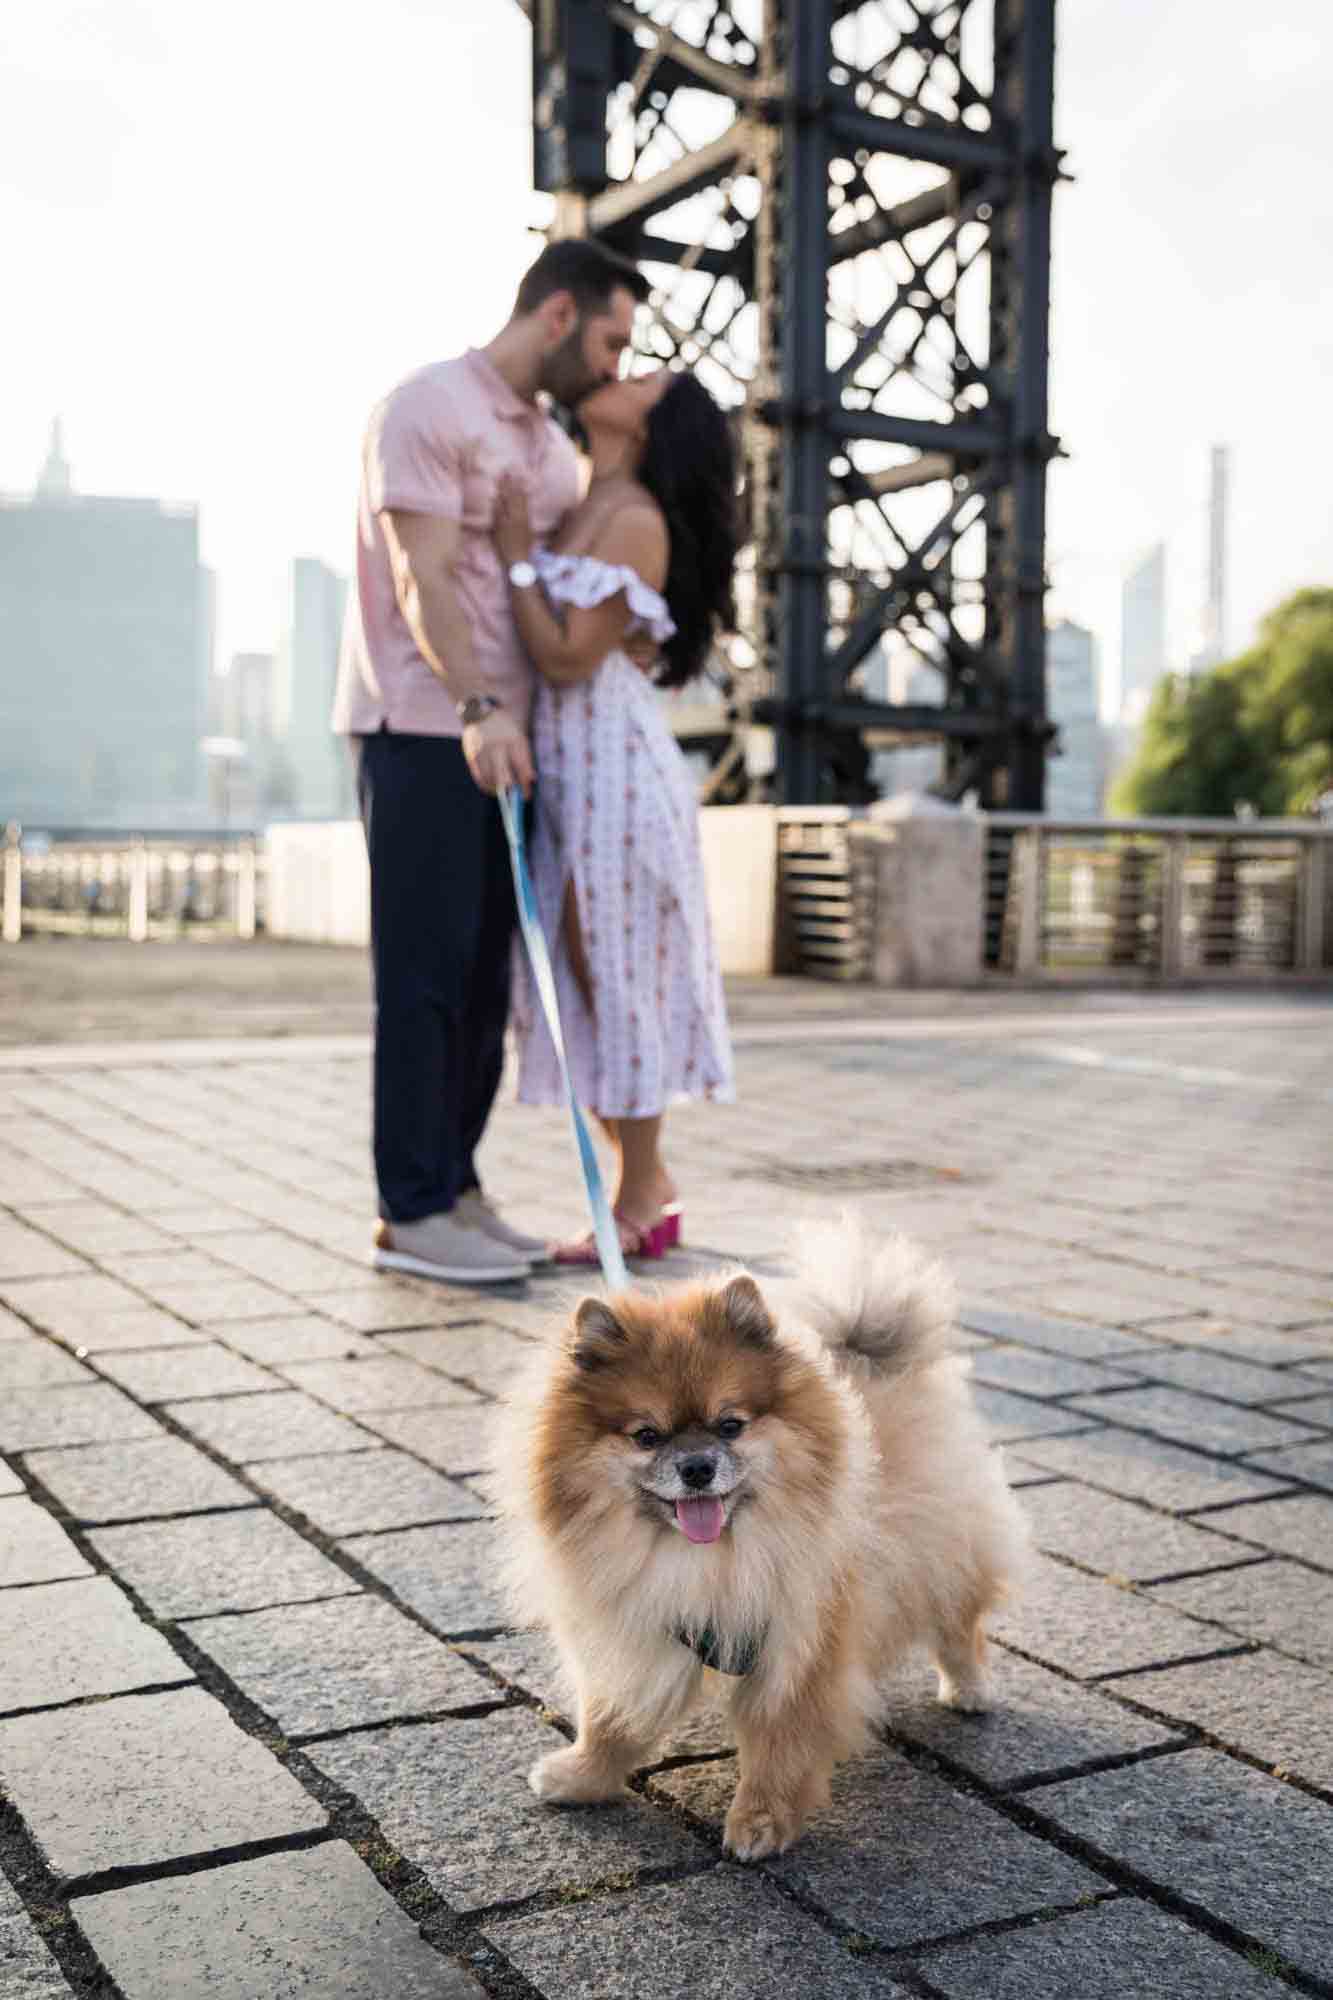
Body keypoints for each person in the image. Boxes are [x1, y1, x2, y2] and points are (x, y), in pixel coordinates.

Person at [332, 239, 650, 1284]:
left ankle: (456, 1187)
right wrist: (475, 705)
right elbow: (421, 575)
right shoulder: (426, 408)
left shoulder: (551, 451)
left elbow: (550, 581)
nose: (611, 366)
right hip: (423, 725)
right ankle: (410, 1207)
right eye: (610, 339)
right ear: (558, 315)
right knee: (422, 973)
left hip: (513, 741)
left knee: (481, 981)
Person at [492, 364, 738, 1261]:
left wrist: (519, 554)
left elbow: (564, 657)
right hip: (571, 770)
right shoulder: (585, 502)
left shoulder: (632, 520)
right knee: (575, 969)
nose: (618, 373)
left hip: (615, 769)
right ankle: (646, 1185)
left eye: (643, 376)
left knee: (613, 967)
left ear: (654, 420)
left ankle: (641, 1189)